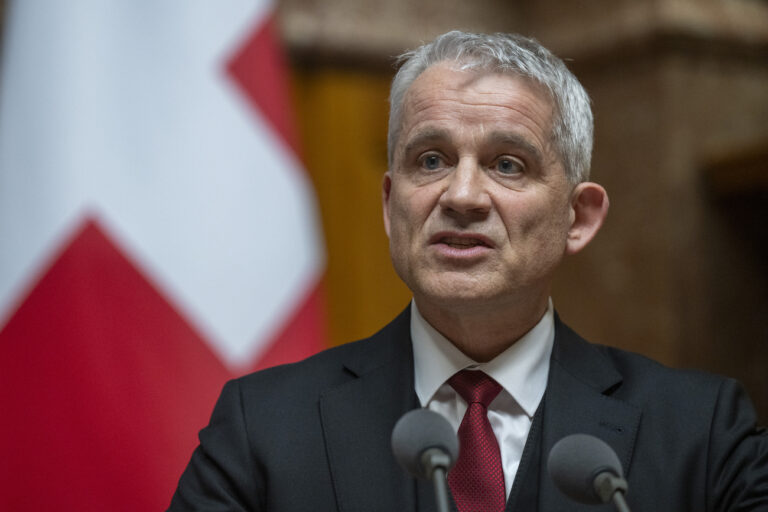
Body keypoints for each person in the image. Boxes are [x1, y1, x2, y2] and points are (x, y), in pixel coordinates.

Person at [168, 31, 768, 511]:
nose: (461, 195)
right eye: (431, 160)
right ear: (390, 205)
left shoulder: (703, 433)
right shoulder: (263, 427)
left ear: (578, 218)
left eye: (508, 165)